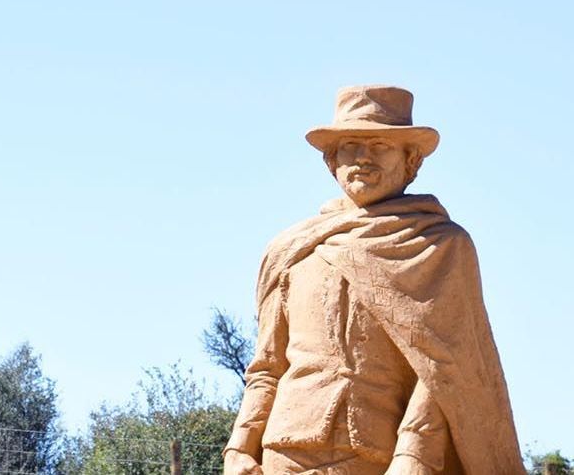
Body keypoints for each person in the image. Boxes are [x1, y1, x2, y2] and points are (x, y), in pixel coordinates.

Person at [222, 85, 520, 474]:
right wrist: (240, 447)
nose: (362, 157)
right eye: (349, 146)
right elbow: (267, 366)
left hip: (377, 456)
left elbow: (445, 371)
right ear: (331, 160)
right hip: (284, 451)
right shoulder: (293, 251)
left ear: (410, 161)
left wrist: (414, 457)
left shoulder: (441, 246)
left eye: (379, 145)